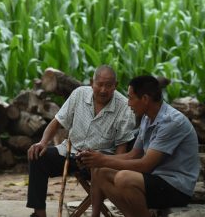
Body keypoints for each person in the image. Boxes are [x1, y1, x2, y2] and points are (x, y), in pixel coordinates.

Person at [77, 75, 200, 217]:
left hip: (176, 188)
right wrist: (96, 158)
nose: (128, 104)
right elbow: (133, 155)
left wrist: (102, 159)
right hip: (156, 180)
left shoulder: (170, 122)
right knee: (100, 171)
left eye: (130, 98)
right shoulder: (147, 118)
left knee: (124, 178)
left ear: (145, 99)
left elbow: (146, 165)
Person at [26, 65, 136, 217]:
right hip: (69, 152)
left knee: (100, 169)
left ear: (115, 86)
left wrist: (103, 161)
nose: (103, 90)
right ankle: (39, 214)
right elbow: (57, 121)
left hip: (98, 161)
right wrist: (42, 142)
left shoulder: (124, 108)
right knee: (37, 156)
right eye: (100, 84)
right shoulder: (79, 94)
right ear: (92, 82)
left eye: (109, 86)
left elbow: (120, 152)